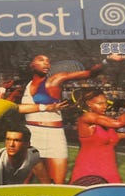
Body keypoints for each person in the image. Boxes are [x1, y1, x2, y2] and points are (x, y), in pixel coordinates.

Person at [16, 55, 101, 184]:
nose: (46, 63)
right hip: (31, 135)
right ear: (31, 64)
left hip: (55, 136)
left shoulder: (55, 79)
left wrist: (107, 60)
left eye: (48, 61)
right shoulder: (24, 87)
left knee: (57, 185)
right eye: (41, 60)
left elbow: (89, 73)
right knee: (22, 183)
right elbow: (15, 108)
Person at [69, 88, 125, 186]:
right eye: (100, 104)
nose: (105, 106)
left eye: (105, 103)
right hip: (89, 167)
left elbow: (105, 138)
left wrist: (124, 135)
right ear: (89, 103)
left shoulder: (102, 119)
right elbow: (119, 123)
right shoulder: (87, 117)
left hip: (109, 168)